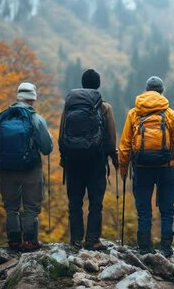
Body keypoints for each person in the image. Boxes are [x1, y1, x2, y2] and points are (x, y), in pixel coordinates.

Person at [118, 76, 174, 257]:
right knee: (167, 210)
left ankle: (145, 248)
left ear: (146, 90)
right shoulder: (170, 114)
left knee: (144, 210)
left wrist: (123, 170)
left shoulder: (134, 113)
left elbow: (124, 145)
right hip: (166, 167)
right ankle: (165, 249)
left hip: (141, 167)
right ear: (162, 91)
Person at [0, 82, 53, 251]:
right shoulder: (36, 119)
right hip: (31, 169)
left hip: (7, 170)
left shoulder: (2, 117)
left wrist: (8, 158)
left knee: (11, 208)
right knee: (31, 208)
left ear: (18, 96)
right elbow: (47, 149)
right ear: (33, 99)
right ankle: (30, 242)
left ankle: (14, 241)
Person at [59, 69, 118, 250]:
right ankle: (92, 240)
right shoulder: (104, 107)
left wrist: (64, 157)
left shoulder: (70, 105)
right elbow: (111, 135)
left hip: (73, 161)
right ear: (98, 85)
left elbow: (62, 132)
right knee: (95, 203)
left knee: (75, 203)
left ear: (83, 84)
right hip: (96, 161)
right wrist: (113, 158)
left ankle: (76, 240)